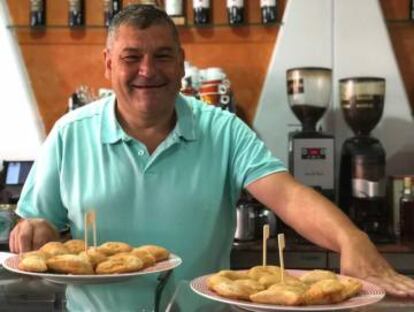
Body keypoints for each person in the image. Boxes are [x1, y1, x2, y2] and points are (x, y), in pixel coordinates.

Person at [9, 4, 414, 312]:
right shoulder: (69, 133)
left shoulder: (224, 130)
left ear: (182, 64)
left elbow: (288, 196)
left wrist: (351, 239)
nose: (148, 70)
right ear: (109, 63)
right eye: (132, 57)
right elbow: (37, 223)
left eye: (163, 56)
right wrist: (36, 232)